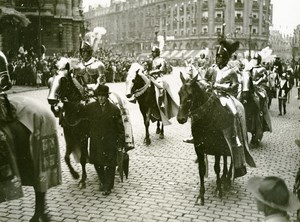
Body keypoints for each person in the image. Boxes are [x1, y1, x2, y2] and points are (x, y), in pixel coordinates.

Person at [70, 84, 125, 196]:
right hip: (96, 140)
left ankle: (108, 187)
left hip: (110, 140)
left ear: (106, 96)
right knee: (97, 162)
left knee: (110, 164)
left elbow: (120, 128)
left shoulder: (114, 109)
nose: (101, 98)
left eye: (103, 96)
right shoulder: (91, 107)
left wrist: (120, 142)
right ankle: (104, 181)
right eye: (99, 96)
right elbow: (79, 113)